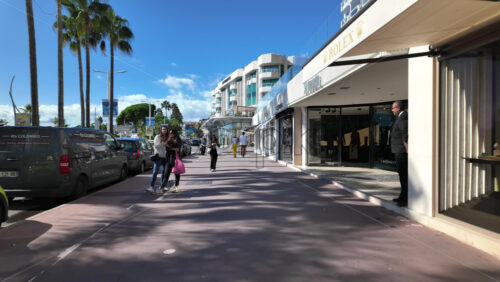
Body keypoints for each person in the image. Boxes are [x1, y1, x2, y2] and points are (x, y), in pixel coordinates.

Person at [391, 100, 408, 207]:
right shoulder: (400, 117)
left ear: (398, 108)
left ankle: (405, 198)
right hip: (399, 150)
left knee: (403, 175)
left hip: (401, 151)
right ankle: (402, 196)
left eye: (393, 108)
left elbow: (404, 134)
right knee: (402, 175)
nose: (392, 110)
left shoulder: (402, 118)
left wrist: (407, 149)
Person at [160, 129, 182, 193]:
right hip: (168, 159)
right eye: (170, 133)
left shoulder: (178, 140)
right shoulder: (169, 140)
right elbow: (167, 148)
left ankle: (176, 187)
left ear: (175, 133)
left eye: (172, 133)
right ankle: (162, 187)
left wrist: (171, 148)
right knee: (166, 173)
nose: (170, 134)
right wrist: (172, 148)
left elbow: (178, 149)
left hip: (175, 159)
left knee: (177, 173)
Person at [147, 125, 168, 193]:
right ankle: (151, 187)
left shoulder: (168, 137)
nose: (164, 130)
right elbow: (156, 146)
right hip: (158, 157)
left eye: (165, 129)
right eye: (163, 129)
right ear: (161, 130)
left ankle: (162, 186)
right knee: (155, 172)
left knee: (164, 173)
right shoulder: (157, 137)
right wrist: (162, 142)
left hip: (165, 157)